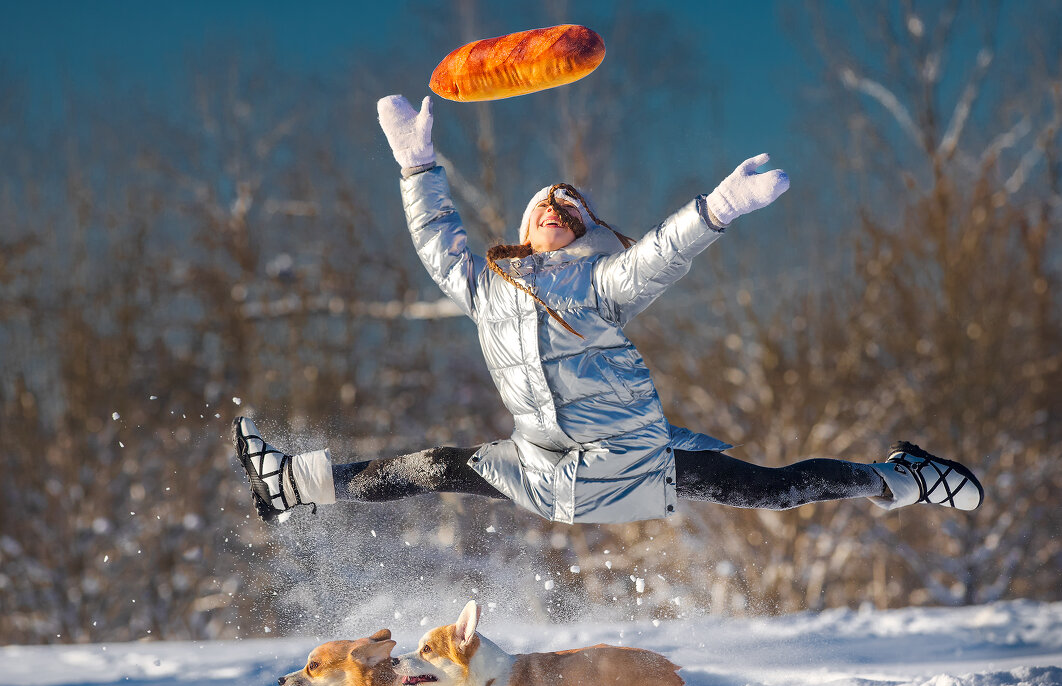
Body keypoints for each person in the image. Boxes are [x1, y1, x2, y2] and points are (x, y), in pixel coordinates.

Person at [233, 94, 983, 525]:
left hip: (628, 456)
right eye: (547, 205)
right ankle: (291, 485)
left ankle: (903, 476)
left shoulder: (600, 282)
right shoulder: (488, 286)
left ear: (585, 232)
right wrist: (417, 165)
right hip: (540, 462)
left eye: (573, 209)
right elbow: (438, 240)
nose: (558, 209)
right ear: (525, 227)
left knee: (767, 488)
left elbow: (661, 254)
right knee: (433, 466)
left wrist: (717, 208)